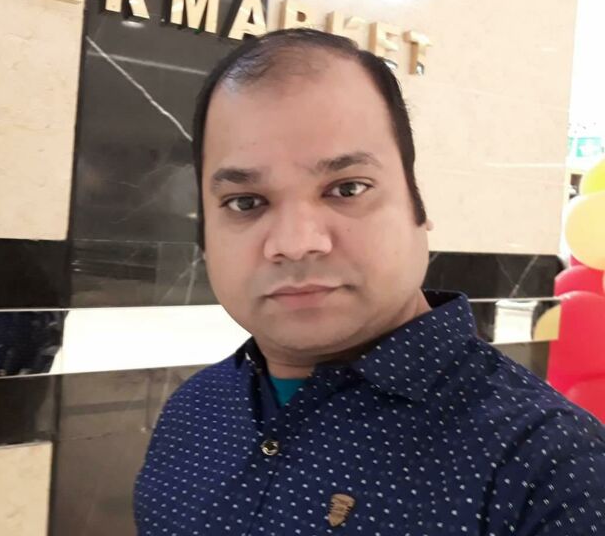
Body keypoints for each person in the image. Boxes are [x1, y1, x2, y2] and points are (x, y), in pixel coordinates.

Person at [134, 29, 605, 535]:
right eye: (245, 202)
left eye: (347, 188)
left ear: (417, 205)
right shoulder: (194, 411)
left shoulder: (553, 468)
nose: (295, 243)